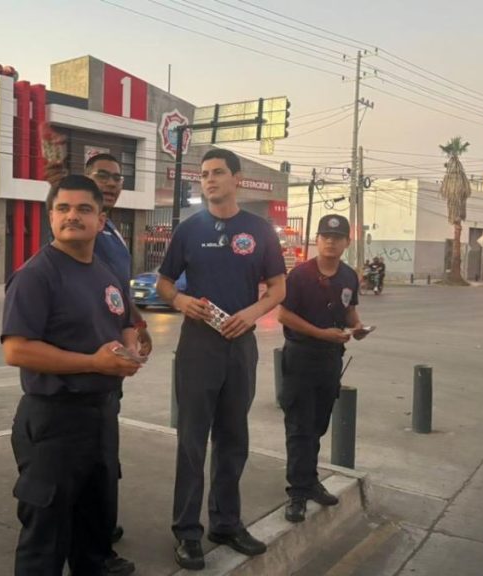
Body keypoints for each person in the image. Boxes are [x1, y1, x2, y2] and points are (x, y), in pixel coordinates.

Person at [1, 175, 143, 575]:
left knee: (95, 521)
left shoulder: (104, 272)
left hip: (100, 415)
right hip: (54, 419)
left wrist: (130, 346)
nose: (72, 216)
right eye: (63, 208)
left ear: (101, 220)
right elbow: (16, 350)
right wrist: (94, 363)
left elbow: (124, 319)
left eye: (84, 209)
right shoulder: (36, 275)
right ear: (50, 217)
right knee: (45, 535)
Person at [156, 149, 286, 570]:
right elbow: (163, 283)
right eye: (204, 174)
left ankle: (226, 523)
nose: (209, 180)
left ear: (237, 178)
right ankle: (187, 531)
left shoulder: (259, 230)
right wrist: (181, 301)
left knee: (233, 438)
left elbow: (278, 288)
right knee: (192, 441)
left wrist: (251, 314)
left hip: (240, 345)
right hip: (198, 346)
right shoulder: (188, 230)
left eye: (217, 173)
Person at [277, 215, 367, 523]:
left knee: (317, 425)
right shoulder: (300, 275)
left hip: (330, 360)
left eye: (337, 237)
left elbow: (349, 310)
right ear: (317, 240)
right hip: (301, 357)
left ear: (347, 242)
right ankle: (297, 492)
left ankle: (310, 480)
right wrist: (320, 333)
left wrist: (358, 327)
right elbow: (284, 315)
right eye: (325, 236)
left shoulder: (349, 276)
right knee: (299, 426)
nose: (330, 241)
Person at [85, 152, 147, 575]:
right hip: (91, 358)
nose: (111, 183)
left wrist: (137, 325)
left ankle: (99, 526)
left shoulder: (112, 230)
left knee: (105, 448)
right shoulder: (87, 230)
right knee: (93, 451)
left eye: (117, 178)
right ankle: (93, 544)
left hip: (114, 357)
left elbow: (118, 292)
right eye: (102, 176)